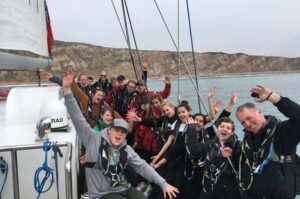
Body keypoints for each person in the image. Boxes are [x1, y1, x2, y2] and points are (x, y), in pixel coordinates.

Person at [62, 70, 179, 199]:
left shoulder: (126, 149)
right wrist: (67, 91)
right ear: (109, 130)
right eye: (117, 130)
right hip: (102, 194)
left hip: (124, 188)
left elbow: (144, 167)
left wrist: (164, 184)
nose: (119, 134)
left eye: (123, 132)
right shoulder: (92, 139)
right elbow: (77, 117)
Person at [235, 85, 300, 199]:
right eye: (243, 123)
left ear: (259, 112)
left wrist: (273, 97)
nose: (247, 124)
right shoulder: (248, 138)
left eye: (249, 118)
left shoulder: (282, 131)